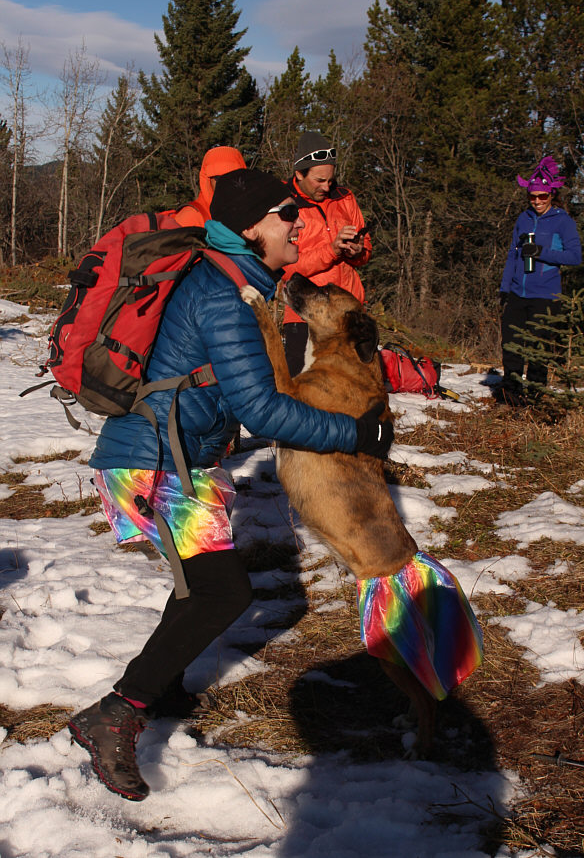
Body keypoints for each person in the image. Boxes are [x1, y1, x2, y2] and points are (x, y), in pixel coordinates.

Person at [67, 168, 393, 802]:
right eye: (285, 215)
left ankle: (160, 690)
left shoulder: (233, 282)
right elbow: (263, 409)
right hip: (155, 463)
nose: (299, 224)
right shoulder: (223, 295)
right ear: (251, 228)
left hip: (178, 456)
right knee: (222, 591)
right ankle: (115, 713)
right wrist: (355, 435)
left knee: (203, 585)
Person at [283, 131, 372, 375]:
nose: (327, 186)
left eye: (330, 180)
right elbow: (286, 269)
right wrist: (331, 250)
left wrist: (357, 251)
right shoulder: (283, 204)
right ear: (299, 173)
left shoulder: (344, 198)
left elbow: (366, 252)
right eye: (319, 180)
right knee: (303, 394)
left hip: (349, 314)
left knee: (352, 390)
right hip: (306, 316)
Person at [497, 155, 582, 405]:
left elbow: (575, 256)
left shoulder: (563, 222)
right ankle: (510, 397)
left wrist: (543, 253)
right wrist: (505, 288)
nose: (537, 201)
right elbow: (512, 256)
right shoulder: (523, 219)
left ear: (551, 195)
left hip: (545, 295)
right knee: (511, 346)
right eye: (532, 196)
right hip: (517, 293)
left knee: (537, 350)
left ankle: (534, 398)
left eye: (542, 196)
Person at [174, 145, 246, 226]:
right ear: (207, 179)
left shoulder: (250, 214)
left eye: (233, 178)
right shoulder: (191, 217)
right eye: (218, 178)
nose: (225, 184)